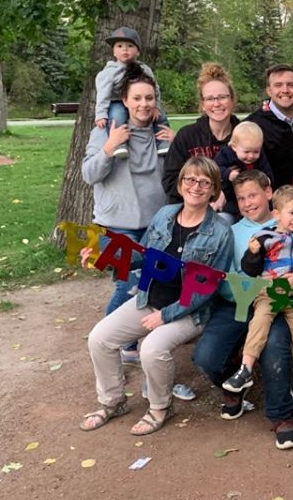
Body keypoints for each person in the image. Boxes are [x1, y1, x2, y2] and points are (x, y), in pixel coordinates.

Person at [80, 157, 233, 436]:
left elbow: (206, 288)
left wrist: (166, 315)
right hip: (149, 299)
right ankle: (112, 401)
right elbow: (143, 255)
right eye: (190, 179)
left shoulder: (220, 232)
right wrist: (106, 257)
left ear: (214, 189)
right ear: (181, 183)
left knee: (152, 349)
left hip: (189, 311)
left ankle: (160, 407)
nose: (196, 187)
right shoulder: (165, 215)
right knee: (99, 338)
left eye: (204, 182)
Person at [192, 170, 293, 449]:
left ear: (268, 193)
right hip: (238, 302)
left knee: (275, 346)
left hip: (278, 302)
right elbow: (224, 278)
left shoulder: (292, 222)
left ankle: (281, 417)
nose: (247, 203)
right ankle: (235, 381)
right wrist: (250, 289)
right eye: (241, 198)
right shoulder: (232, 233)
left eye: (252, 195)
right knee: (206, 357)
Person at [82, 63, 173, 365]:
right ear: (125, 100)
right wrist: (109, 148)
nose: (143, 104)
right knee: (130, 283)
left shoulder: (162, 135)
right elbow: (88, 175)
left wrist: (177, 147)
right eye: (137, 98)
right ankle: (109, 344)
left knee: (148, 284)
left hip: (155, 225)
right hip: (114, 225)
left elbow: (178, 177)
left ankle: (126, 345)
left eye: (149, 98)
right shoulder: (106, 132)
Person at [223, 186, 293, 419]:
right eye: (292, 213)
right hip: (270, 290)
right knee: (259, 322)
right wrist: (252, 254)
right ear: (277, 214)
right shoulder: (264, 237)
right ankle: (245, 369)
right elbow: (250, 269)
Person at [163, 63, 239, 207]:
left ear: (232, 100)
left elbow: (255, 180)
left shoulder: (246, 135)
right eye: (210, 99)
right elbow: (170, 181)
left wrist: (225, 193)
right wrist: (211, 194)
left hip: (234, 211)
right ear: (203, 104)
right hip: (191, 209)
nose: (216, 103)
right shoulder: (187, 136)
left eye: (222, 97)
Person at [93, 26, 169, 158]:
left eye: (130, 46)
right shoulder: (110, 71)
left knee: (160, 115)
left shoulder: (144, 69)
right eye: (119, 46)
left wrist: (156, 105)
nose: (125, 49)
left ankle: (163, 142)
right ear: (114, 52)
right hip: (117, 101)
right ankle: (119, 144)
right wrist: (100, 113)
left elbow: (155, 88)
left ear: (138, 51)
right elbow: (103, 93)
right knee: (117, 115)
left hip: (140, 100)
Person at [214, 121, 274, 222]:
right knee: (228, 213)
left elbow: (268, 173)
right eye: (246, 152)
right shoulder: (226, 154)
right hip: (231, 195)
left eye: (256, 151)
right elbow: (215, 168)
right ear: (234, 147)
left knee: (267, 205)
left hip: (254, 196)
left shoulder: (261, 158)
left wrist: (265, 180)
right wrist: (228, 173)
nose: (251, 156)